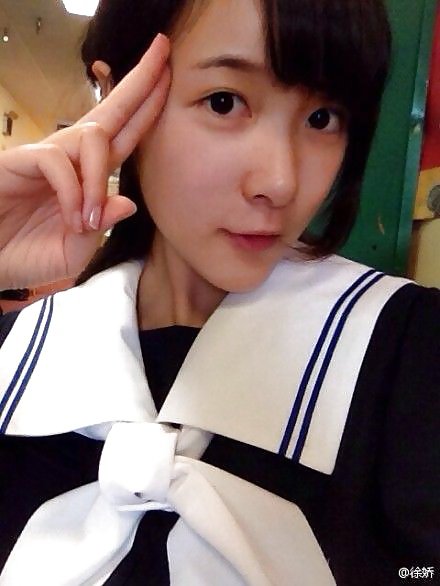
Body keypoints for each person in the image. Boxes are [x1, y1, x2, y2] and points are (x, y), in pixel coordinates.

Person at [0, 0, 438, 584]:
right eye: (225, 102)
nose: (280, 182)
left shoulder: (409, 349)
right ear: (114, 95)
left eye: (322, 117)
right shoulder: (18, 355)